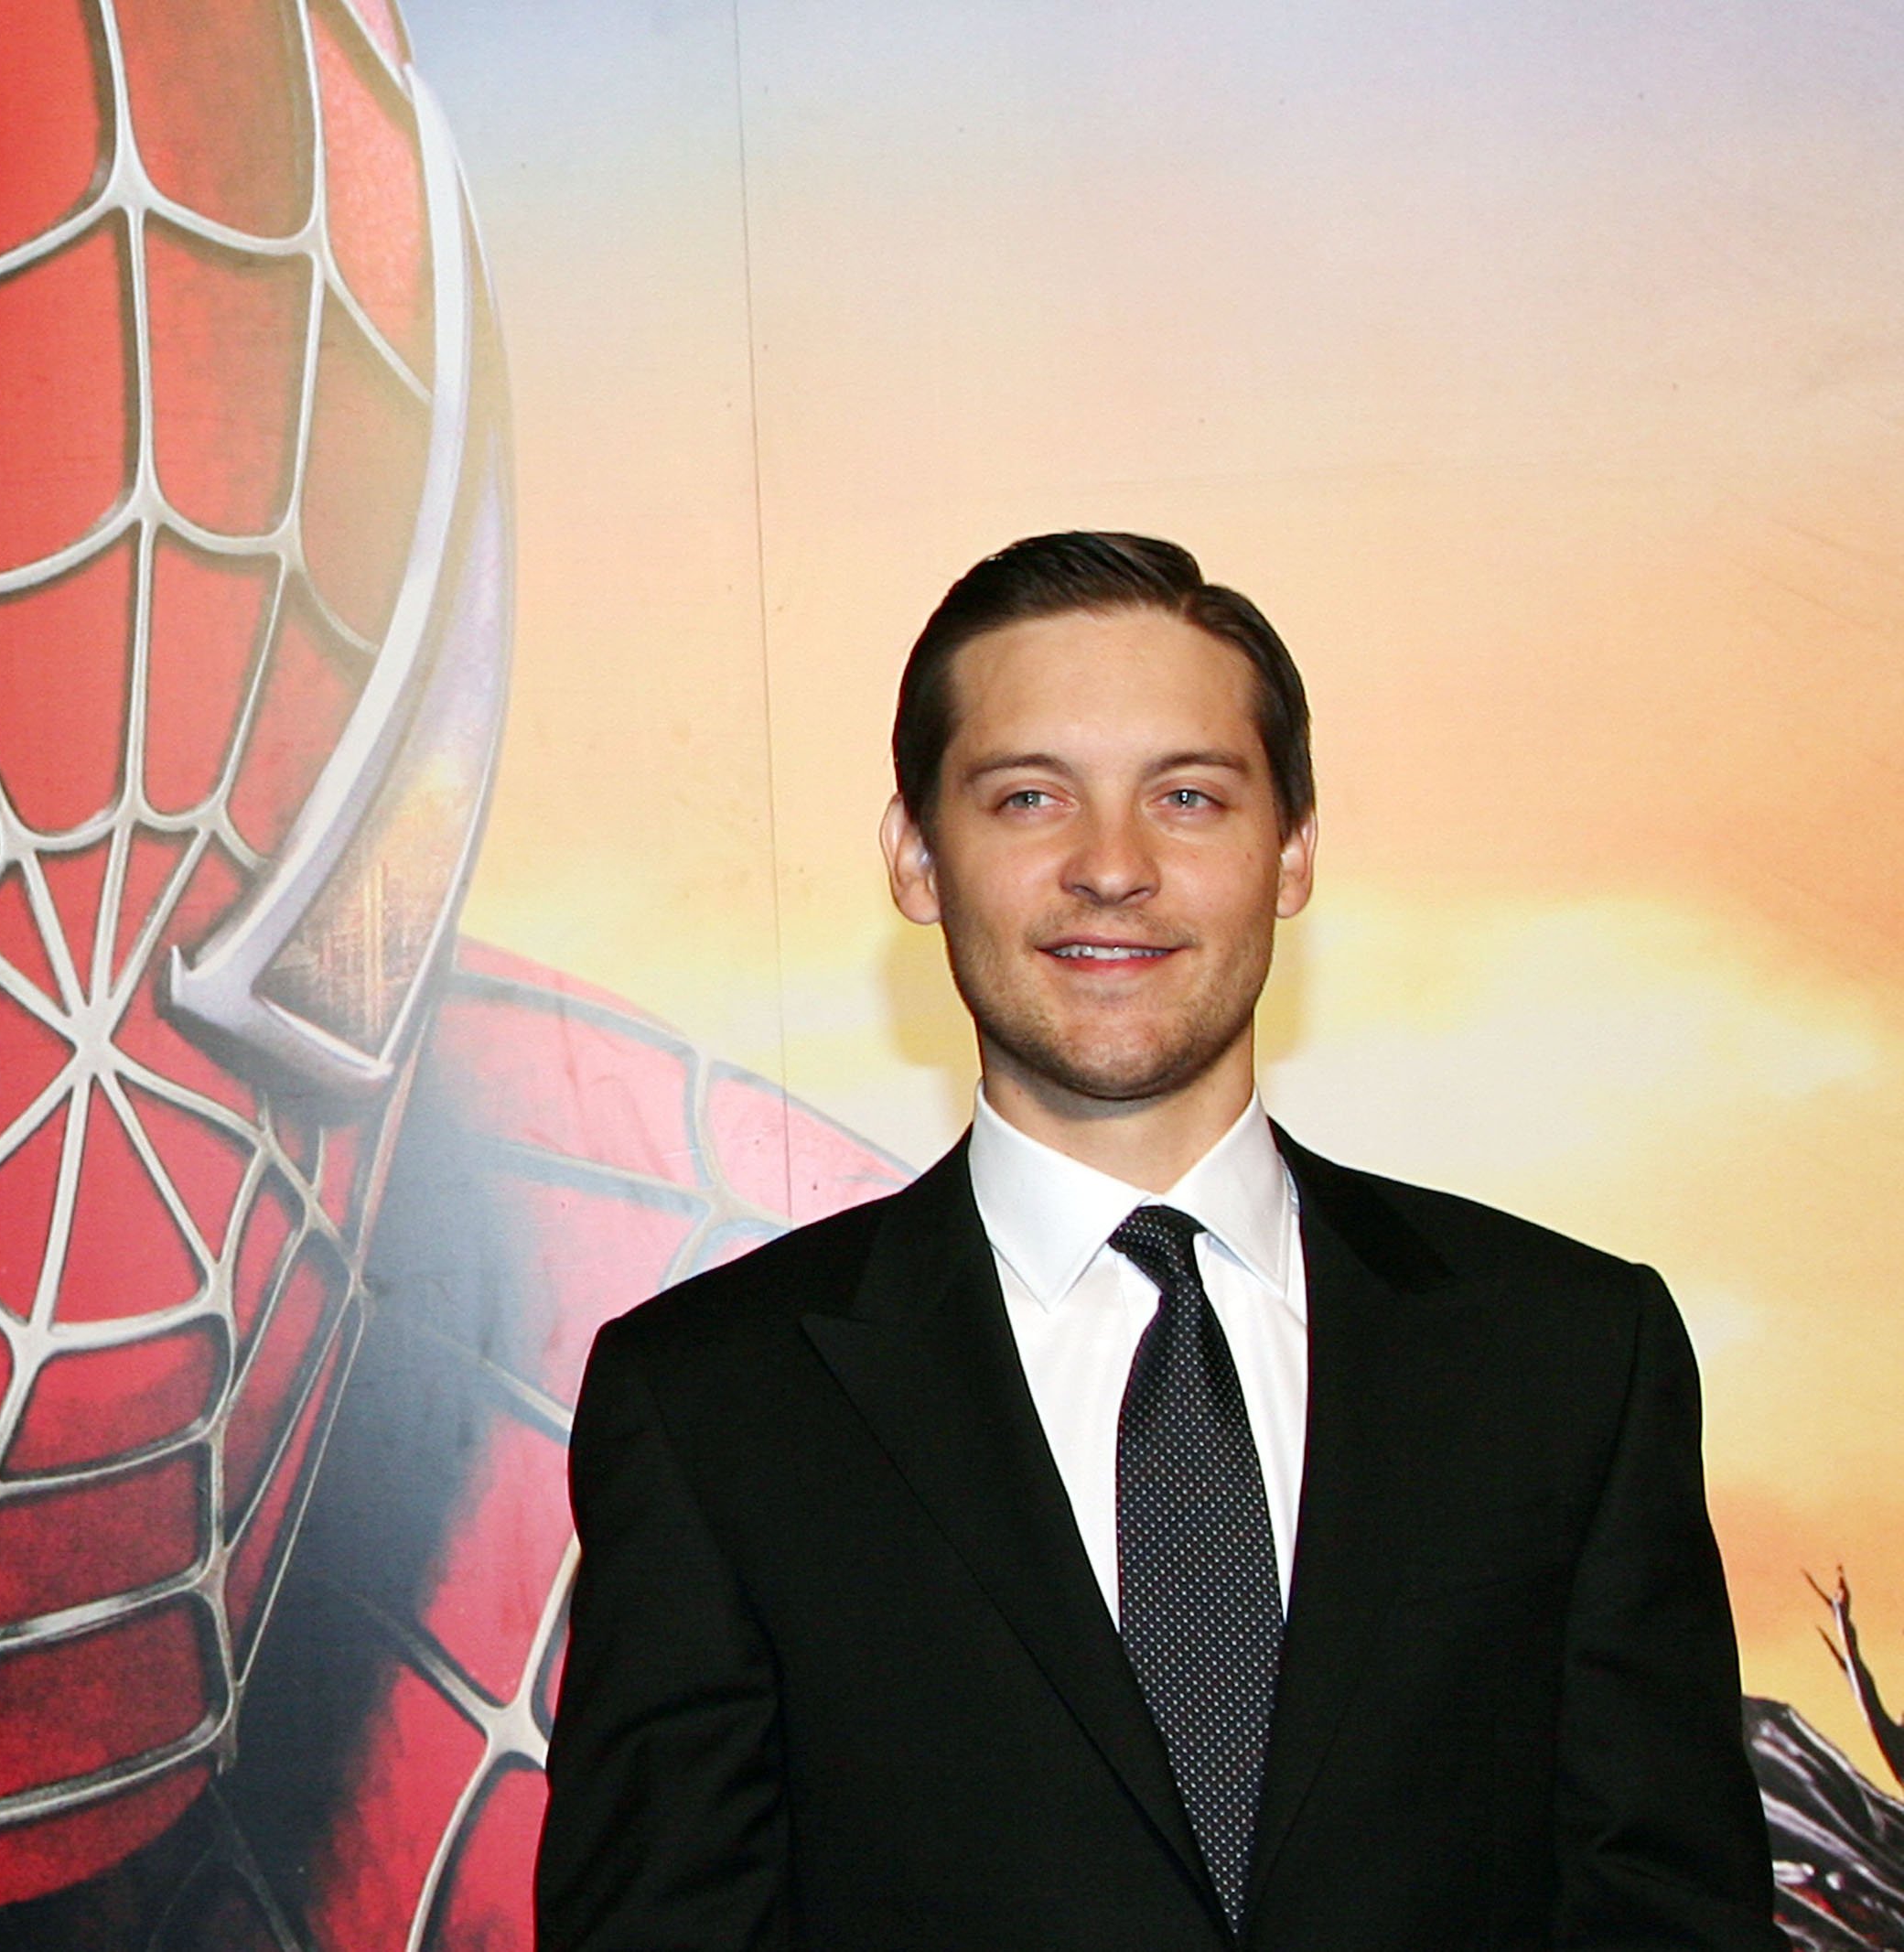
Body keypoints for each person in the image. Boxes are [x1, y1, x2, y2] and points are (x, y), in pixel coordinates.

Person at [535, 533, 1780, 1948]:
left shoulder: (1568, 1355)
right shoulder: (711, 1402)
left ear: (1293, 849)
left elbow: (1676, 1915)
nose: (1111, 866)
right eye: (1028, 797)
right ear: (916, 856)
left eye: (1187, 796)